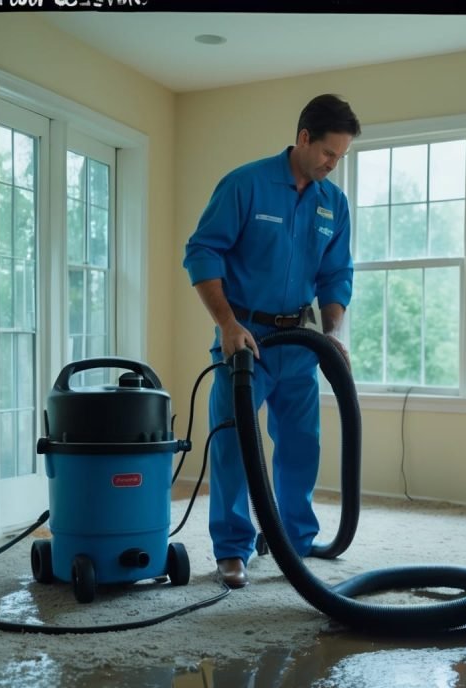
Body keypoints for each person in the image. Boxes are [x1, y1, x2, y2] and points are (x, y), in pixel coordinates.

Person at [183, 94, 360, 588]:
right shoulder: (246, 185)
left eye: (341, 156)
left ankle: (295, 543)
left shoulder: (333, 203)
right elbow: (202, 253)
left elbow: (336, 273)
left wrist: (331, 333)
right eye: (329, 153)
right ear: (304, 138)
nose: (333, 163)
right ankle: (233, 550)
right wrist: (226, 324)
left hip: (300, 342)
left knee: (302, 443)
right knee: (234, 445)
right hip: (246, 339)